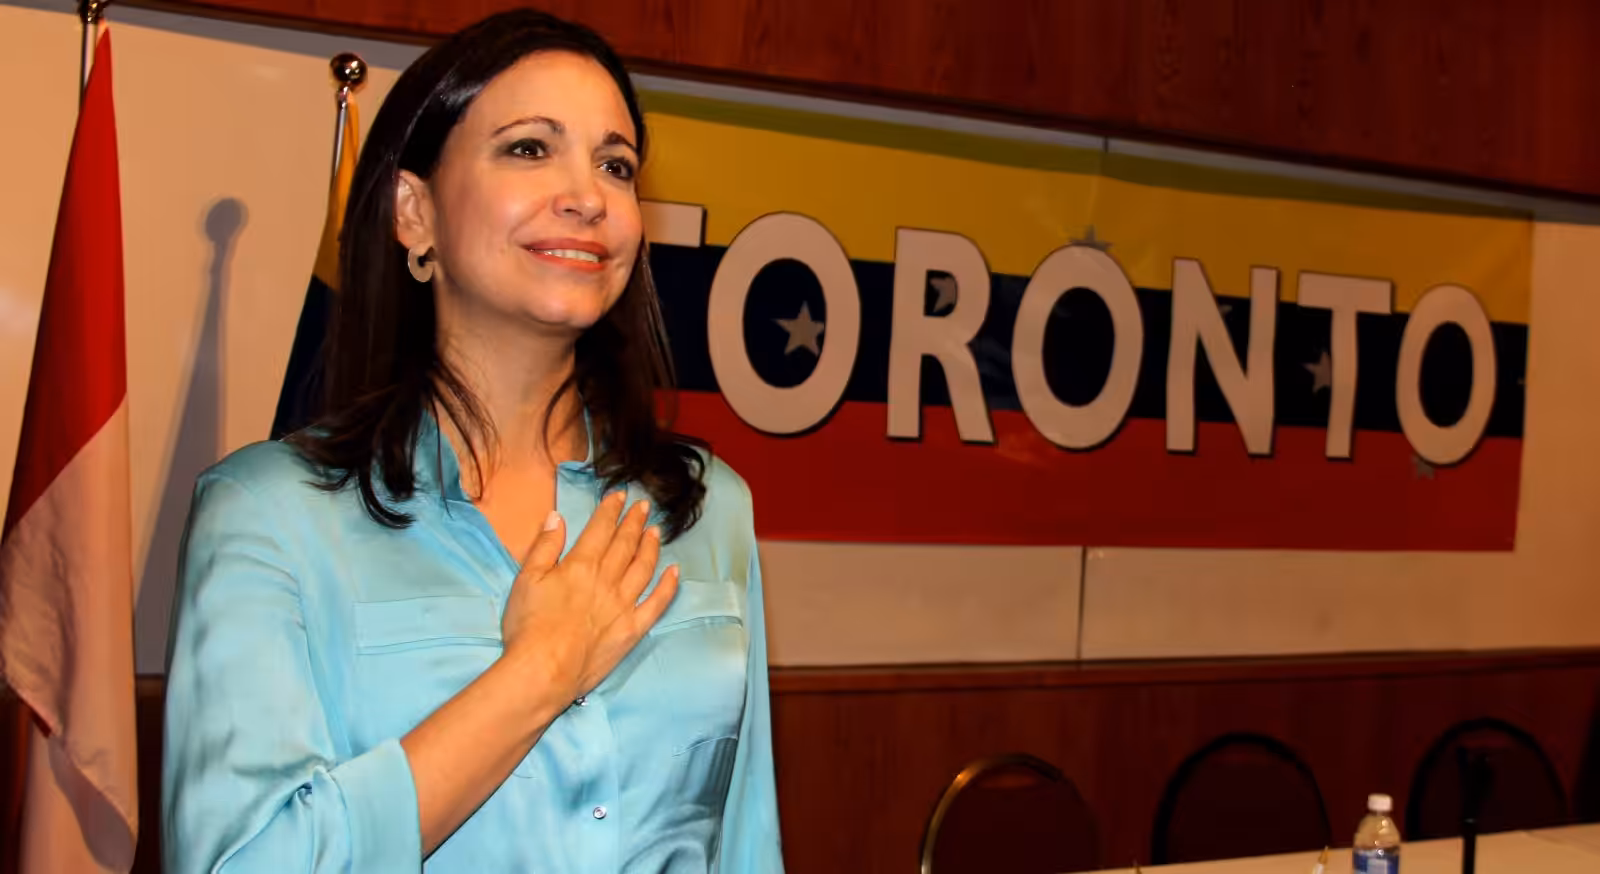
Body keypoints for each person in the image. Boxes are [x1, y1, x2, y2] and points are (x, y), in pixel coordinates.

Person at [161, 9, 783, 872]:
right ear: (414, 213)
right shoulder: (269, 516)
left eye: (616, 164)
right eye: (530, 148)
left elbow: (747, 847)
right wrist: (540, 672)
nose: (587, 194)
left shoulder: (709, 509)